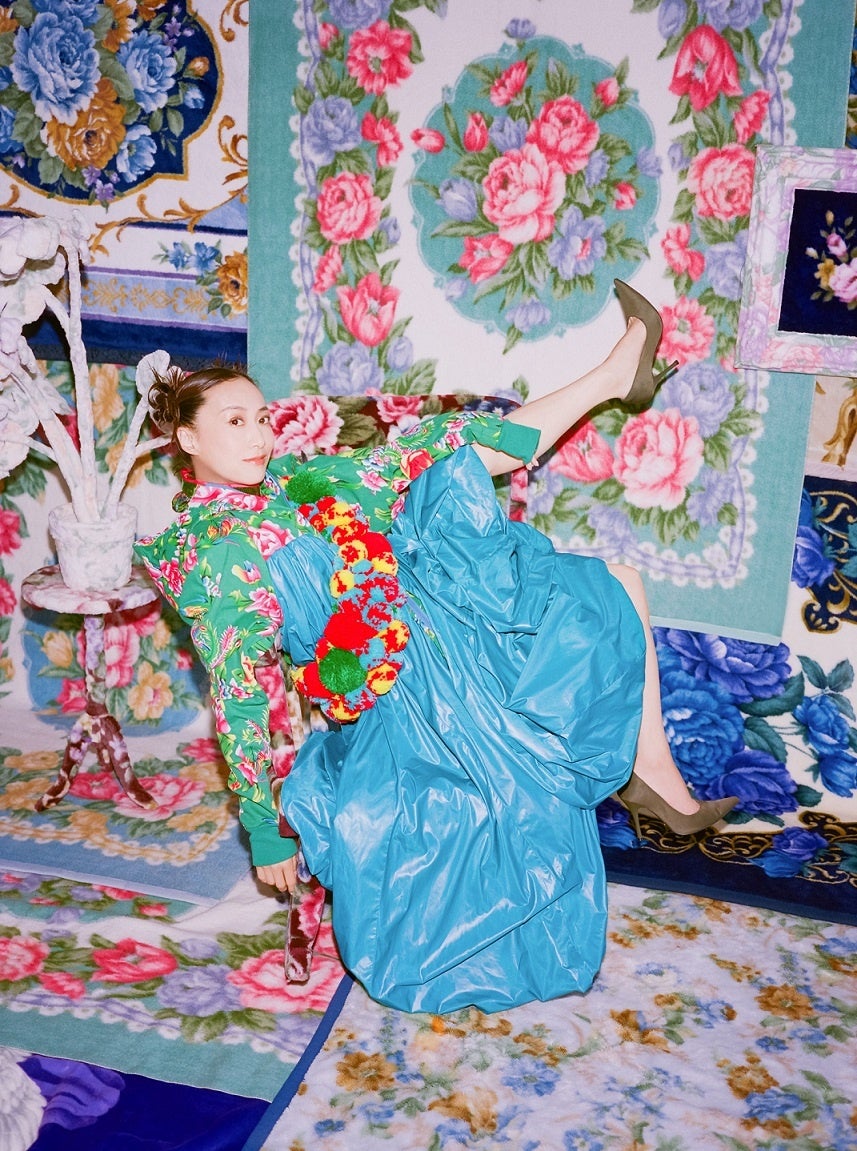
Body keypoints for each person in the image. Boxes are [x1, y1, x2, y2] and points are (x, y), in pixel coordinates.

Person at [136, 281, 737, 1014]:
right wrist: (263, 830)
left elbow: (386, 472)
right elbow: (236, 693)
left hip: (431, 608)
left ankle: (613, 378)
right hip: (408, 685)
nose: (258, 436)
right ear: (188, 440)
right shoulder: (217, 553)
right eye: (235, 422)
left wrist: (430, 450)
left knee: (455, 472)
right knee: (603, 587)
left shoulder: (286, 482)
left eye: (261, 417)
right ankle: (651, 778)